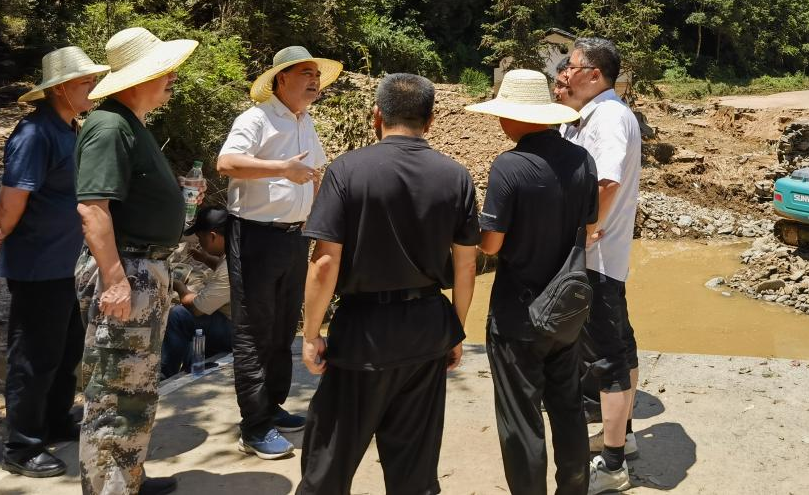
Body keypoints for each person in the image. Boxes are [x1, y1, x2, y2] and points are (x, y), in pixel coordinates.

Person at [296, 73, 479, 495]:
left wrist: (311, 334)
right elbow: (466, 267)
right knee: (414, 472)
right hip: (427, 330)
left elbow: (324, 262)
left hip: (364, 336)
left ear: (376, 115)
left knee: (329, 465)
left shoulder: (346, 171)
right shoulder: (455, 176)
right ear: (430, 121)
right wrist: (456, 330)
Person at [75, 26, 198, 495]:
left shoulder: (130, 124)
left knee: (135, 390)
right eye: (165, 71)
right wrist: (114, 279)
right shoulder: (109, 125)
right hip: (127, 271)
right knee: (115, 392)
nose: (172, 79)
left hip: (142, 270)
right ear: (139, 77)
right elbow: (92, 208)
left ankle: (126, 479)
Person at [468, 69, 598, 495]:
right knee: (568, 408)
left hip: (518, 315)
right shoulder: (582, 159)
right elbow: (590, 224)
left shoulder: (510, 166)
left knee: (520, 419)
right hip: (568, 309)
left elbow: (490, 244)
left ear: (514, 117)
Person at [216, 46, 341, 459]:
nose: (314, 81)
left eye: (316, 75)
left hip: (295, 237)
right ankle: (253, 426)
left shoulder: (306, 122)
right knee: (253, 328)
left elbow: (316, 174)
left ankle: (272, 405)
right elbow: (227, 162)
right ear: (280, 79)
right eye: (305, 73)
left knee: (284, 322)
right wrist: (281, 169)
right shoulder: (256, 118)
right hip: (255, 235)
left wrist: (319, 223)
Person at [0, 48, 108, 478]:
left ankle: (55, 420)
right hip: (38, 264)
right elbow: (12, 199)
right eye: (86, 83)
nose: (93, 89)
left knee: (65, 352)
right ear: (60, 88)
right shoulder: (34, 133)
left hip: (67, 264)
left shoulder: (67, 128)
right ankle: (21, 446)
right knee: (34, 357)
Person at [558, 37, 642, 495]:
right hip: (607, 257)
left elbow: (606, 180)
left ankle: (612, 466)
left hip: (598, 257)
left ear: (594, 74)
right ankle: (623, 439)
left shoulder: (608, 117)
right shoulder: (595, 114)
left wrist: (589, 224)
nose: (564, 74)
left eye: (570, 67)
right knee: (621, 347)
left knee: (607, 357)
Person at [161, 206, 233, 379]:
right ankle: (189, 365)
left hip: (238, 333)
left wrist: (180, 288)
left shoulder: (228, 269)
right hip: (249, 327)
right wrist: (206, 258)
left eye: (201, 238)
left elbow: (197, 307)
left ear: (213, 236)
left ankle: (164, 373)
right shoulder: (238, 251)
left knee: (180, 315)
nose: (199, 243)